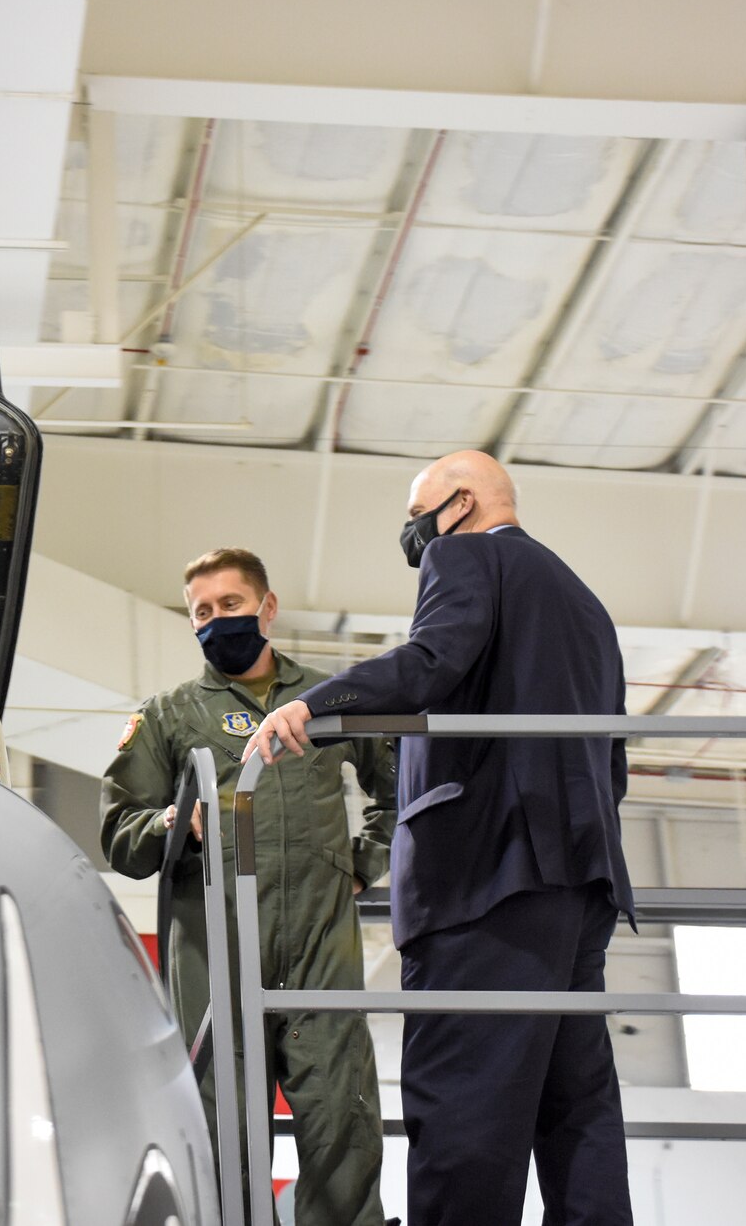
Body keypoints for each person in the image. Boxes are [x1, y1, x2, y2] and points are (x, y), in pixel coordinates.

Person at [248, 450, 635, 1226]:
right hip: (577, 883)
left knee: (463, 1103)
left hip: (484, 879)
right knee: (575, 1108)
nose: (413, 532)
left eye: (417, 512)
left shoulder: (466, 553)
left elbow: (430, 664)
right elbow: (612, 760)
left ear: (458, 504)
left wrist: (315, 707)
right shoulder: (587, 606)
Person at [100, 548, 395, 1226]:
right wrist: (171, 819)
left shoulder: (329, 698)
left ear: (267, 606)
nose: (214, 621)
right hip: (217, 953)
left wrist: (364, 859)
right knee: (221, 1132)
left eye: (229, 605)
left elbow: (400, 784)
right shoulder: (170, 716)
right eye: (201, 612)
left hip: (320, 949)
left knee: (341, 1121)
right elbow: (119, 832)